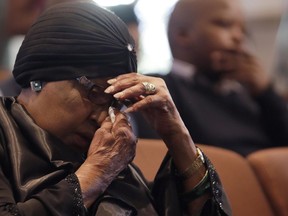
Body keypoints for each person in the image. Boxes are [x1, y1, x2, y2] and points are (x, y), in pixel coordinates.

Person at [0, 1, 231, 215]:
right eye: (95, 93)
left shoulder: (112, 159)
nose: (104, 119)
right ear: (39, 76)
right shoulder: (7, 133)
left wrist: (177, 135)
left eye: (116, 103)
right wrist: (95, 174)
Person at [135, 0, 288, 156]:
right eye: (224, 24)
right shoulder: (158, 90)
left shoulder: (248, 94)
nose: (238, 37)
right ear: (183, 35)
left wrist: (266, 92)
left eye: (243, 30)